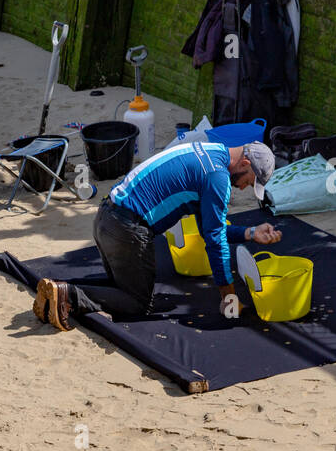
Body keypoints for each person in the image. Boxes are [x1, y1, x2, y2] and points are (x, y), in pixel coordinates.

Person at [33, 140, 281, 331]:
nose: (245, 187)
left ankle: (57, 290)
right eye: (250, 182)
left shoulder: (209, 150)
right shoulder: (217, 177)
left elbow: (209, 229)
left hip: (106, 219)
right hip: (128, 230)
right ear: (245, 164)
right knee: (137, 304)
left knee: (120, 289)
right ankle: (68, 295)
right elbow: (215, 242)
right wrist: (229, 298)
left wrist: (249, 233)